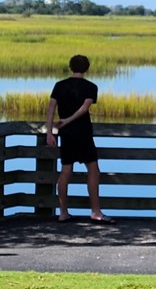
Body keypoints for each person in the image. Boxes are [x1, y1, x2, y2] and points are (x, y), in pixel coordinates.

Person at [45, 54, 110, 223]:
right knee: (94, 171)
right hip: (83, 132)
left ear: (70, 67)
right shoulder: (91, 87)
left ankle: (63, 212)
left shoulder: (59, 86)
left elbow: (51, 108)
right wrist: (68, 120)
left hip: (66, 134)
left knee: (66, 171)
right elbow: (84, 108)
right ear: (87, 68)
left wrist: (50, 132)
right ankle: (96, 212)